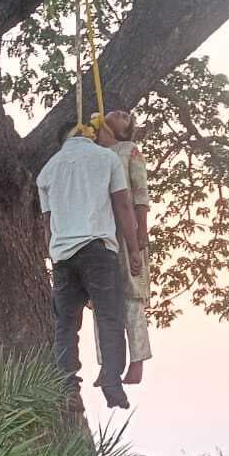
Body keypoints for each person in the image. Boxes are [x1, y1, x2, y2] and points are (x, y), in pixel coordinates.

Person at [37, 125, 142, 409]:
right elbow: (123, 206)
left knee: (66, 325)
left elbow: (47, 224)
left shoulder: (47, 171)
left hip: (63, 257)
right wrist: (133, 249)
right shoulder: (107, 158)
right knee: (109, 317)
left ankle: (68, 388)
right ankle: (111, 381)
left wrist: (54, 257)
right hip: (98, 251)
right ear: (88, 134)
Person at [94, 109, 152, 385]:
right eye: (117, 113)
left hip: (127, 230)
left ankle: (137, 361)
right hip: (99, 231)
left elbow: (140, 192)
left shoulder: (130, 151)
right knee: (101, 300)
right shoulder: (92, 151)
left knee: (131, 297)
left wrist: (141, 230)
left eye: (126, 117)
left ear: (127, 130)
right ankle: (107, 364)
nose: (121, 113)